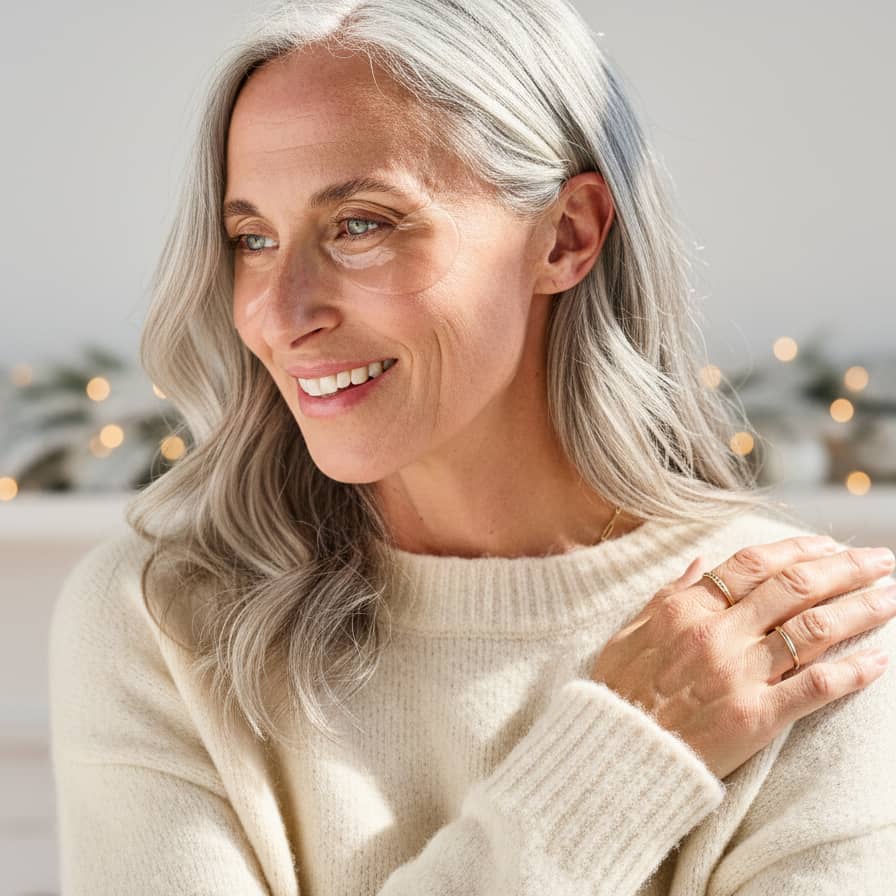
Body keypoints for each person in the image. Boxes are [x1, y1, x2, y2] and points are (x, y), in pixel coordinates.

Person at [48, 0, 896, 893]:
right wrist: (624, 756)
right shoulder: (160, 619)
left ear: (565, 236)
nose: (280, 312)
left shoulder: (793, 640)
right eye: (252, 238)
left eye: (361, 224)